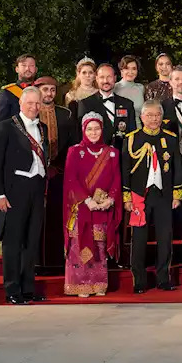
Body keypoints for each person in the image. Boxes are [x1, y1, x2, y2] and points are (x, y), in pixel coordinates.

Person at [0, 86, 51, 304]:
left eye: (38, 103)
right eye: (30, 103)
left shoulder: (42, 127)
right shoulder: (6, 127)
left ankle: (28, 288)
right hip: (14, 190)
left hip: (36, 189)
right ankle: (12, 290)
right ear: (21, 104)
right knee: (13, 242)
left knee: (31, 241)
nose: (35, 107)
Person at [122, 100, 182, 293]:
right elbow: (125, 170)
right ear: (142, 117)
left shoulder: (171, 138)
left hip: (164, 195)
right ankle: (139, 281)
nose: (153, 119)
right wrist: (127, 197)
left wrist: (177, 194)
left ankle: (163, 278)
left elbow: (177, 169)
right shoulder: (132, 139)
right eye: (149, 115)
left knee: (165, 238)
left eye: (157, 115)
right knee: (139, 239)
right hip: (140, 195)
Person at [61, 113, 121, 297]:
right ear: (83, 130)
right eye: (89, 129)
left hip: (102, 208)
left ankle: (98, 284)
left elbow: (117, 179)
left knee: (99, 246)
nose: (93, 132)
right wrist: (87, 201)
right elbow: (71, 180)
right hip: (82, 207)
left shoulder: (112, 152)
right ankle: (80, 285)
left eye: (97, 128)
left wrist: (110, 199)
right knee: (80, 246)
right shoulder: (74, 151)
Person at [33, 76, 76, 269]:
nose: (49, 93)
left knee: (57, 216)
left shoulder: (65, 114)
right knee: (35, 218)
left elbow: (72, 144)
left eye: (52, 90)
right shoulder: (29, 114)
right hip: (33, 173)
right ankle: (35, 262)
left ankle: (56, 262)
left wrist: (56, 165)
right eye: (45, 90)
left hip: (58, 172)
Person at [78, 64, 137, 148]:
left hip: (122, 156)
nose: (105, 81)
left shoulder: (127, 104)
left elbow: (132, 133)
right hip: (97, 156)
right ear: (96, 79)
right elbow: (81, 136)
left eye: (109, 77)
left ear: (115, 78)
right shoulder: (85, 104)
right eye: (102, 77)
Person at [0, 54, 38, 126]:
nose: (27, 68)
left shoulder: (40, 91)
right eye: (23, 65)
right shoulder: (7, 93)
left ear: (36, 69)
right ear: (17, 69)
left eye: (31, 66)